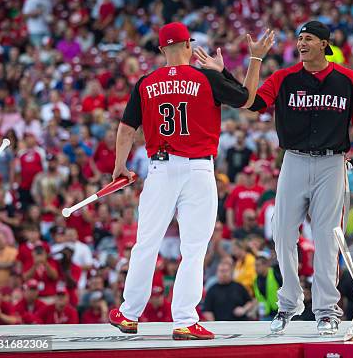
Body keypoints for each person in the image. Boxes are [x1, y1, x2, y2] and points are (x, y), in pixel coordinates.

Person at [198, 20, 353, 335]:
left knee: (329, 239)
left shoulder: (347, 79)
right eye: (300, 38)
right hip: (294, 160)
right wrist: (251, 62)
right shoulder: (284, 77)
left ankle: (327, 311)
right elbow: (250, 103)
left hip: (332, 163)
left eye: (308, 39)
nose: (302, 43)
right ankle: (289, 304)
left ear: (324, 44)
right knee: (283, 235)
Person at [109, 22, 274, 340]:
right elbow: (248, 99)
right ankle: (184, 319)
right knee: (194, 248)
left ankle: (129, 314)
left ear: (161, 50)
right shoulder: (206, 77)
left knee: (145, 245)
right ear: (188, 45)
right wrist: (252, 61)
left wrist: (120, 165)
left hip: (160, 169)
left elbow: (127, 128)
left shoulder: (145, 83)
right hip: (198, 170)